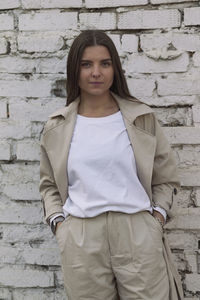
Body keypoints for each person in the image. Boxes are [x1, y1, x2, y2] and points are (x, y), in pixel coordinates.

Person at [39, 30, 184, 300]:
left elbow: (165, 177)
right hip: (81, 236)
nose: (96, 72)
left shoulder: (141, 118)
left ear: (114, 68)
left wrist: (157, 219)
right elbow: (49, 185)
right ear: (75, 69)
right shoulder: (57, 126)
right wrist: (60, 224)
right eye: (86, 64)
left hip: (137, 232)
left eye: (104, 63)